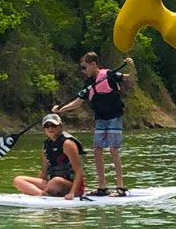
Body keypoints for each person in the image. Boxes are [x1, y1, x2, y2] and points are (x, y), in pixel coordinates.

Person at [57, 50, 134, 194]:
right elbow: (78, 101)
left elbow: (130, 77)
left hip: (114, 117)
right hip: (100, 119)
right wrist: (61, 110)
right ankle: (102, 187)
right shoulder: (89, 83)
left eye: (84, 67)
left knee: (113, 150)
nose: (83, 71)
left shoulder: (109, 75)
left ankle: (120, 187)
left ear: (93, 64)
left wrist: (131, 66)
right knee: (97, 150)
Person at [12, 114, 85, 198]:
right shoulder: (46, 145)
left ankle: (43, 193)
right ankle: (42, 194)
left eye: (54, 125)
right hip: (52, 184)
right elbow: (44, 172)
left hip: (69, 185)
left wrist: (72, 193)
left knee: (56, 181)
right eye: (47, 126)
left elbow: (79, 171)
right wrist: (32, 187)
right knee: (18, 180)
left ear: (60, 126)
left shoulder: (68, 143)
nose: (50, 128)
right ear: (44, 129)